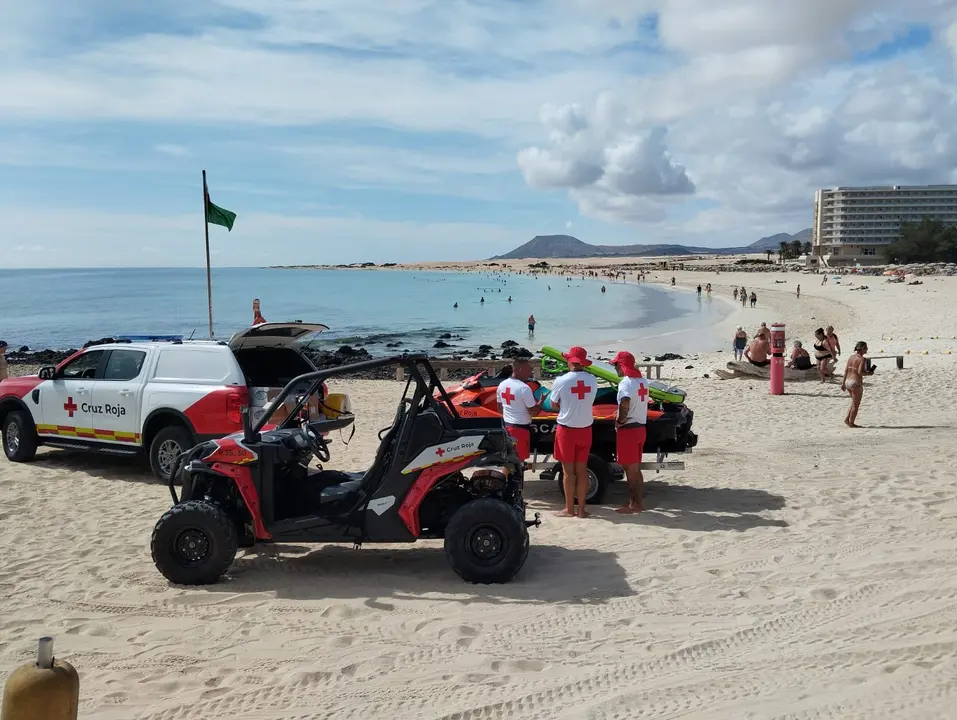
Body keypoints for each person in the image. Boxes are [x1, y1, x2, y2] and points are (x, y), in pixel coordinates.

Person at [549, 346, 599, 518]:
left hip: (567, 430)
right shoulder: (592, 380)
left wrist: (566, 407)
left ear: (569, 361)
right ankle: (582, 510)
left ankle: (569, 509)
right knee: (582, 470)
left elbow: (553, 404)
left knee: (568, 473)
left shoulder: (561, 381)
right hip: (585, 429)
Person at [611, 351, 649, 514]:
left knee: (630, 470)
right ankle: (636, 503)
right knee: (635, 469)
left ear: (621, 365)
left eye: (615, 365)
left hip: (629, 429)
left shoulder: (625, 383)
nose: (615, 368)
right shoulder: (643, 381)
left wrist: (620, 421)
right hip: (640, 427)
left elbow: (625, 402)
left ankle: (635, 505)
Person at [496, 358, 542, 465]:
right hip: (520, 431)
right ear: (519, 369)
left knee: (509, 462)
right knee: (519, 464)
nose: (531, 372)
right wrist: (541, 402)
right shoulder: (524, 388)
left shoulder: (502, 385)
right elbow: (534, 412)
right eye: (529, 370)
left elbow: (499, 408)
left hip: (507, 428)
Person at [841, 341, 873, 428]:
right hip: (855, 382)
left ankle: (847, 419)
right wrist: (869, 373)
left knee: (853, 402)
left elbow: (846, 370)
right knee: (856, 404)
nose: (867, 349)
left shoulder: (851, 357)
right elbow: (860, 372)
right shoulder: (862, 359)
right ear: (861, 349)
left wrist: (843, 383)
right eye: (865, 348)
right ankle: (851, 423)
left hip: (848, 381)